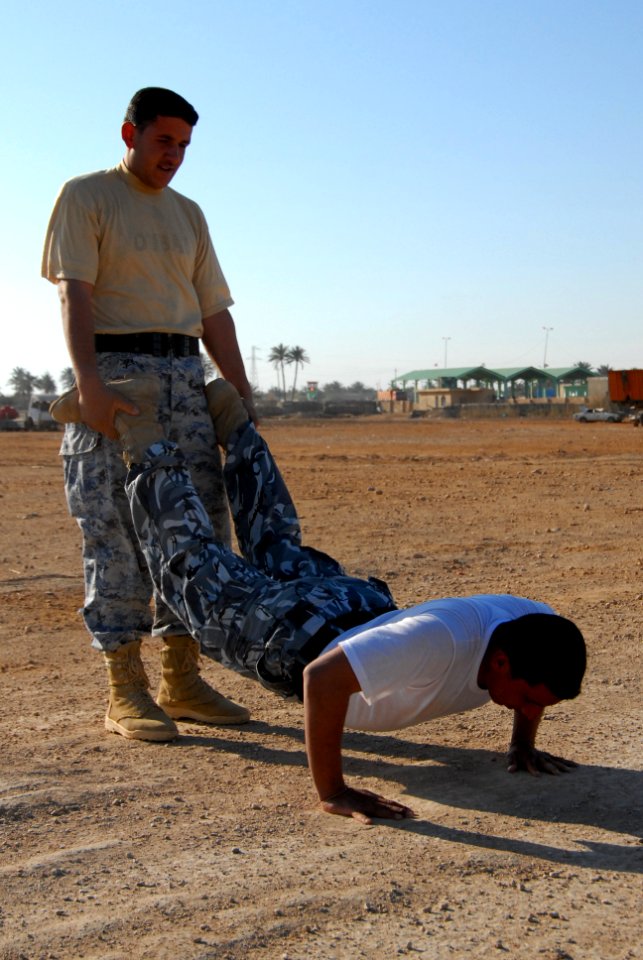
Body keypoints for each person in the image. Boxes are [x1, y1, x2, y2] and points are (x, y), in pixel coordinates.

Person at [51, 376, 588, 824]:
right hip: (296, 637)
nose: (530, 709)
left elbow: (538, 665)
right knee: (190, 568)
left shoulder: (532, 621)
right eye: (528, 700)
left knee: (273, 545)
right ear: (498, 661)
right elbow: (321, 681)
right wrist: (333, 790)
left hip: (355, 604)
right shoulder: (439, 643)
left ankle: (236, 426)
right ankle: (138, 429)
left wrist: (521, 744)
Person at [41, 87, 255, 741]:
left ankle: (182, 681)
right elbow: (75, 295)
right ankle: (124, 690)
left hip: (187, 384)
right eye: (164, 141)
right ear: (129, 133)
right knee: (118, 539)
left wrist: (240, 394)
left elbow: (213, 310)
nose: (174, 157)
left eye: (184, 146)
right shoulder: (85, 196)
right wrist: (90, 387)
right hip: (117, 384)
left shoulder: (188, 214)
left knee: (196, 537)